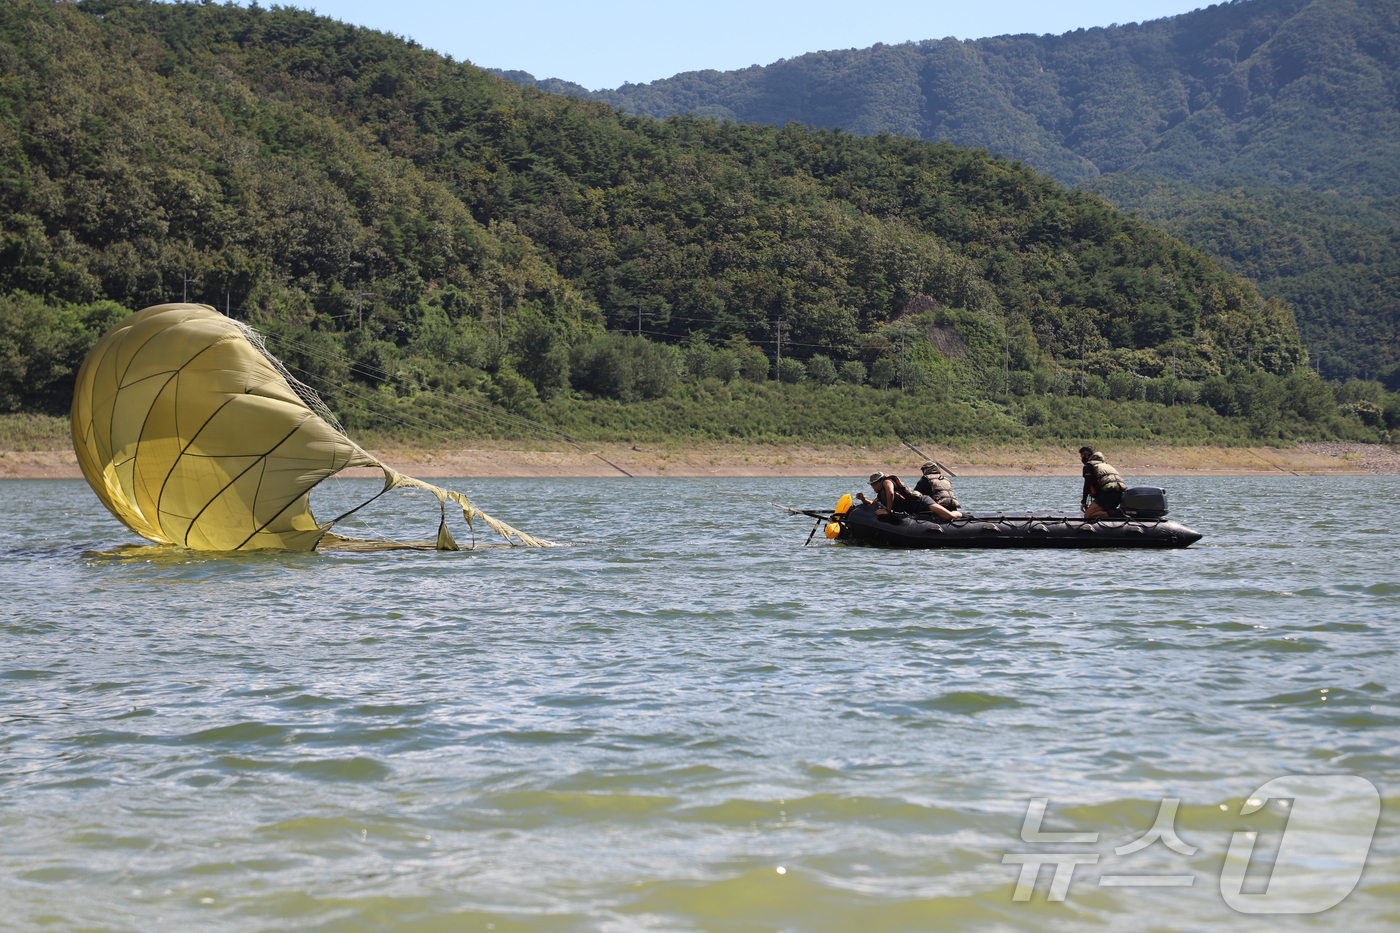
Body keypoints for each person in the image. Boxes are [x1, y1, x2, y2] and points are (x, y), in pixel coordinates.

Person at [857, 472, 962, 520]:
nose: (872, 487)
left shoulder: (886, 482)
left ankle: (960, 514)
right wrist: (863, 499)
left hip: (922, 502)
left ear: (877, 483)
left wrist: (888, 511)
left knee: (949, 516)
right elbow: (872, 504)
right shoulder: (881, 496)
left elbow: (891, 493)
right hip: (915, 510)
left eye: (872, 485)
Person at [1079, 445, 1126, 521]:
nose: (1081, 459)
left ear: (1086, 456)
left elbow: (1087, 484)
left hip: (1107, 494)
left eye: (1082, 457)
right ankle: (1114, 514)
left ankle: (1117, 514)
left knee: (1088, 515)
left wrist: (1084, 501)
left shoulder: (1088, 466)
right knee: (1104, 512)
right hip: (1119, 494)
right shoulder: (1106, 465)